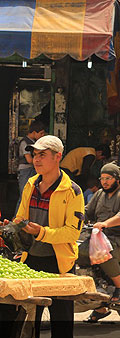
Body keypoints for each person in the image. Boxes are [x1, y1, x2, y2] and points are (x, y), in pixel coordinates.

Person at [2, 135, 84, 338]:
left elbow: (73, 232)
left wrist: (42, 232)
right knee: (29, 322)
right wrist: (12, 228)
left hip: (60, 264)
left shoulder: (72, 191)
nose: (36, 159)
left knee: (61, 325)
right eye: (34, 154)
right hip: (30, 261)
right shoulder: (30, 184)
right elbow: (21, 217)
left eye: (42, 155)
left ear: (58, 157)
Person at [78, 163, 120, 323]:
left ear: (117, 179)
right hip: (99, 237)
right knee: (78, 253)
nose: (104, 182)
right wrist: (73, 215)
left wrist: (105, 223)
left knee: (104, 253)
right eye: (102, 178)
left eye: (108, 179)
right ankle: (100, 306)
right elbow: (87, 211)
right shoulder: (99, 195)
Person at [15, 120, 46, 213]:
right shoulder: (25, 142)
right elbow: (29, 160)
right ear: (33, 133)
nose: (42, 135)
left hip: (31, 170)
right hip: (25, 171)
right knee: (24, 195)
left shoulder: (33, 142)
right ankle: (17, 218)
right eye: (41, 133)